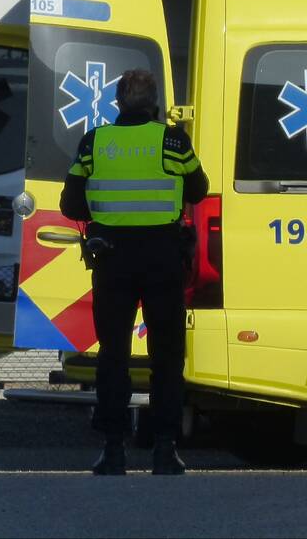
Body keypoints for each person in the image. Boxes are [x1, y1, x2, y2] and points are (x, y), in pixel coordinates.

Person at [60, 68, 208, 476]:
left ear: (119, 102)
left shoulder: (96, 142)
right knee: (167, 357)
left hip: (112, 259)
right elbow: (198, 189)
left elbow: (71, 205)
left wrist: (107, 216)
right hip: (162, 259)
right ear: (154, 102)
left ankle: (113, 451)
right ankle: (164, 450)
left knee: (113, 356)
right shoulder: (173, 141)